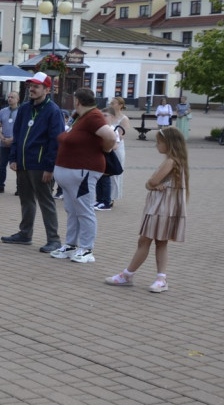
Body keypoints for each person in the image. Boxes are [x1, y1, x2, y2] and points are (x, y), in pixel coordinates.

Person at [105, 127, 188, 292]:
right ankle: (160, 278)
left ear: (168, 143)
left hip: (160, 208)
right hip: (166, 208)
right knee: (160, 242)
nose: (157, 145)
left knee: (145, 241)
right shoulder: (177, 161)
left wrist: (152, 185)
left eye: (159, 142)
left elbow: (151, 182)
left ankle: (128, 275)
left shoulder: (171, 161)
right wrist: (153, 185)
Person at [49, 88, 116, 264]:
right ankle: (71, 245)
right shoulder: (80, 117)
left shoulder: (93, 116)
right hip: (71, 173)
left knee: (84, 211)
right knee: (72, 210)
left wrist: (106, 149)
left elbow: (110, 136)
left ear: (77, 101)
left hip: (84, 172)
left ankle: (86, 248)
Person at [1, 72, 67, 253]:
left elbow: (56, 141)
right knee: (26, 199)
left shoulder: (53, 111)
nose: (32, 89)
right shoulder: (24, 108)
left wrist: (50, 166)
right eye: (31, 85)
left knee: (46, 202)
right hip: (23, 162)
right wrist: (13, 157)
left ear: (47, 89)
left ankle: (54, 240)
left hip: (41, 165)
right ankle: (25, 234)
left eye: (36, 86)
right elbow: (18, 134)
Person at [96, 98, 132, 211]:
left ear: (120, 105)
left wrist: (109, 140)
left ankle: (111, 198)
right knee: (104, 175)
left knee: (114, 174)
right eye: (110, 103)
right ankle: (103, 198)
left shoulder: (123, 118)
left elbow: (120, 136)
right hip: (107, 147)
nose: (111, 104)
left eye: (113, 103)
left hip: (116, 147)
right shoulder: (106, 116)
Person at [0, 91, 20, 194]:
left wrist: (12, 139)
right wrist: (3, 139)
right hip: (4, 143)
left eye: (12, 97)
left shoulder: (21, 111)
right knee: (2, 165)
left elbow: (22, 129)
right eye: (8, 97)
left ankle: (19, 188)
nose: (9, 99)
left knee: (17, 166)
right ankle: (0, 185)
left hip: (15, 143)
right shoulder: (3, 111)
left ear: (17, 99)